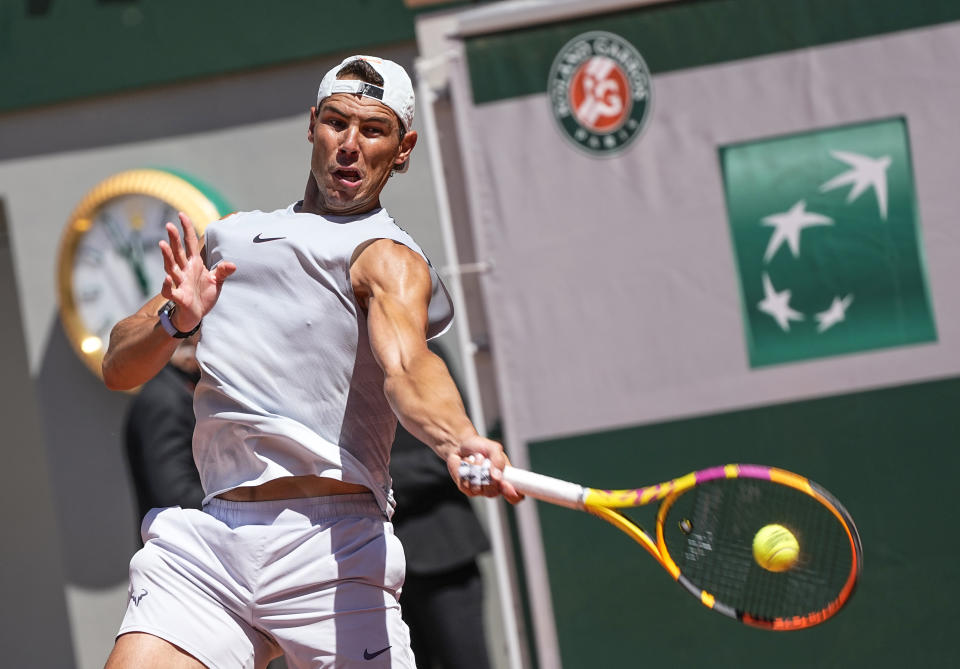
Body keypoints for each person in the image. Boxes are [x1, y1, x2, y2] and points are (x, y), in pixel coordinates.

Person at [100, 54, 522, 669]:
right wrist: (176, 320)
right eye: (336, 123)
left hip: (333, 551)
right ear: (312, 126)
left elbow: (409, 367)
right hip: (211, 542)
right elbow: (119, 367)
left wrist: (459, 440)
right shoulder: (229, 240)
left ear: (401, 150)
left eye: (372, 130)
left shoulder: (388, 259)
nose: (349, 145)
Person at [389, 342, 490, 669]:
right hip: (373, 565)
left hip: (443, 551)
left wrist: (377, 481)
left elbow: (457, 453)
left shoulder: (421, 349)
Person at [123, 334, 204, 531]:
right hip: (184, 552)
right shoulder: (164, 400)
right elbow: (175, 495)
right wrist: (244, 501)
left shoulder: (178, 390)